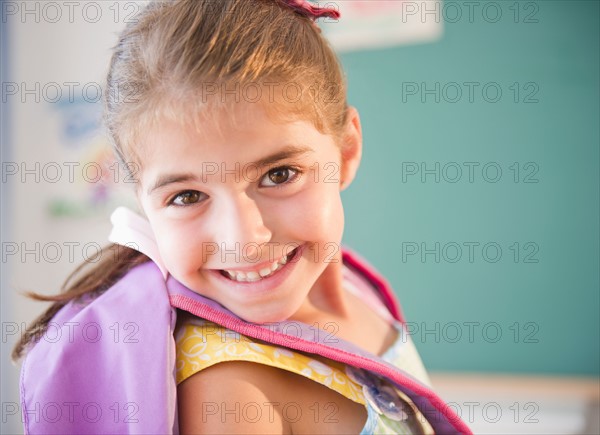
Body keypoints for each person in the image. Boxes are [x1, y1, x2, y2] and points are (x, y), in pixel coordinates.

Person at [14, 1, 471, 433]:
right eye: (187, 195)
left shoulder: (354, 285)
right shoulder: (231, 396)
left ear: (346, 150)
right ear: (143, 202)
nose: (244, 240)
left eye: (279, 174)